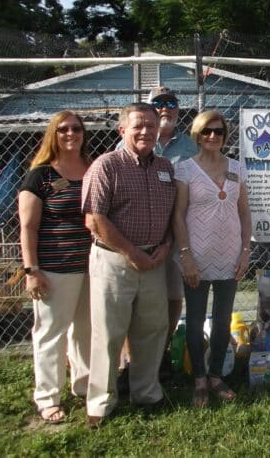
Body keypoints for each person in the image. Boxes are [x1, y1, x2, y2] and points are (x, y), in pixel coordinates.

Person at [82, 102, 175, 428]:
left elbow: (171, 216)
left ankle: (147, 393)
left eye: (151, 125)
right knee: (108, 332)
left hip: (154, 262)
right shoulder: (106, 166)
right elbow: (95, 219)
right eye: (138, 126)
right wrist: (132, 253)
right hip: (115, 261)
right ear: (122, 130)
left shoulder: (166, 167)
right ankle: (101, 403)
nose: (146, 131)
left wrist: (164, 247)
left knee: (152, 331)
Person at [116, 86, 197, 382]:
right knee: (136, 302)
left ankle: (159, 353)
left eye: (171, 103)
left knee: (173, 297)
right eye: (158, 103)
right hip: (137, 238)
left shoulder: (190, 147)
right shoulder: (124, 147)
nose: (166, 109)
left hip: (176, 235)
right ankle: (130, 361)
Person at [173, 110, 251, 407]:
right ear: (197, 134)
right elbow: (178, 216)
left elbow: (244, 212)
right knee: (194, 320)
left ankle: (217, 376)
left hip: (230, 256)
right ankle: (200, 380)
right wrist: (186, 256)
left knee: (222, 320)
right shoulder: (185, 170)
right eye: (207, 131)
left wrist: (245, 251)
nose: (213, 137)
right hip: (196, 256)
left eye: (218, 132)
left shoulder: (236, 168)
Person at [18, 111, 92, 424]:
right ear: (54, 134)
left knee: (86, 331)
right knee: (51, 334)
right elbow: (28, 227)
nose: (71, 134)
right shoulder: (40, 175)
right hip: (54, 270)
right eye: (63, 129)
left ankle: (84, 384)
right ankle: (47, 397)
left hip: (91, 267)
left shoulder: (91, 168)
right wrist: (31, 271)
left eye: (76, 128)